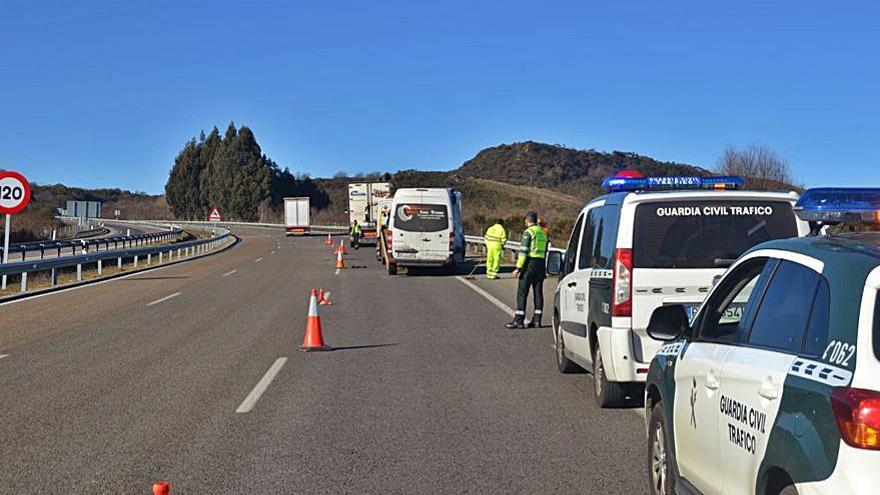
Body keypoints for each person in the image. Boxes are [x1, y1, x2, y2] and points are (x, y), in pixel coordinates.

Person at [506, 211, 548, 329]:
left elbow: (523, 251)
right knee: (538, 292)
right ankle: (537, 320)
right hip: (540, 265)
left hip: (529, 263)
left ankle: (519, 320)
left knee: (522, 292)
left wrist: (519, 267)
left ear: (527, 220)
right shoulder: (543, 233)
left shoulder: (528, 232)